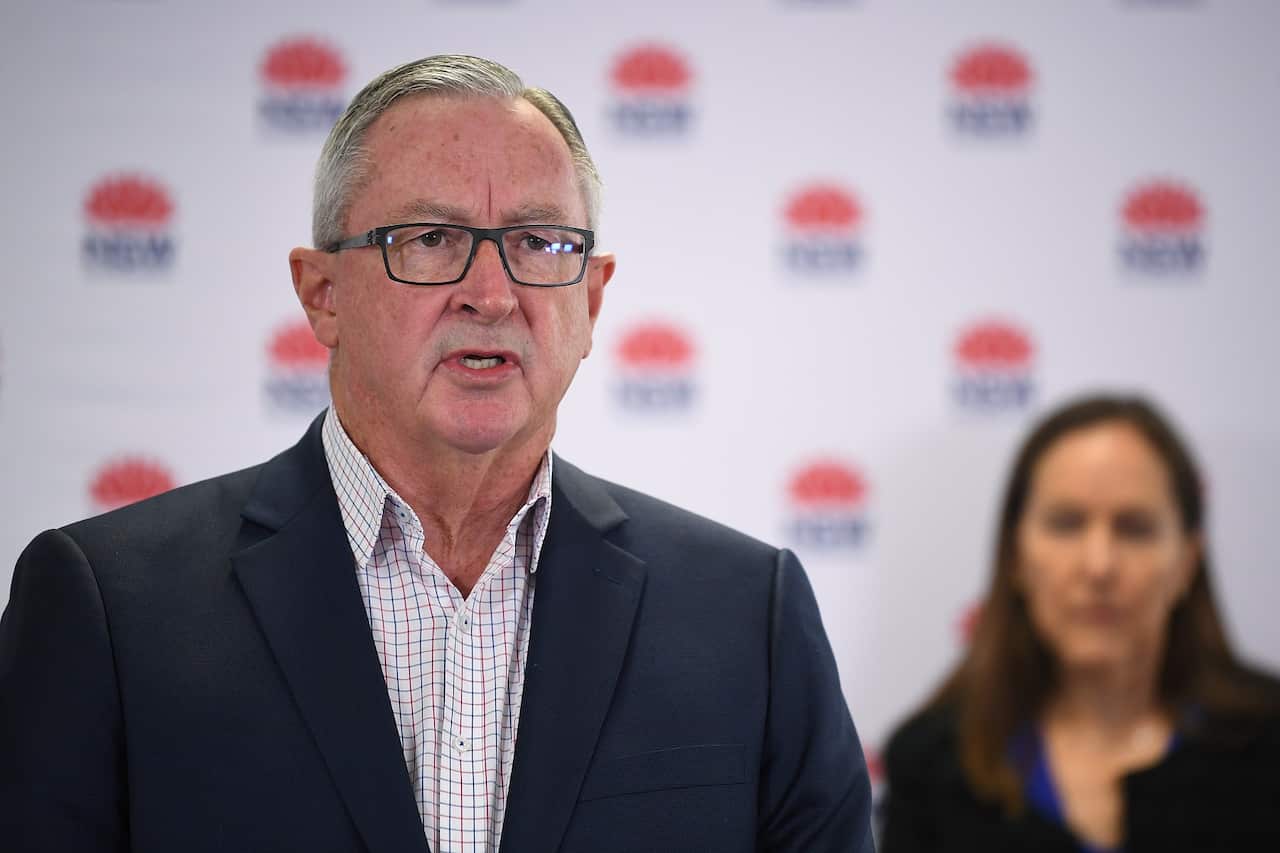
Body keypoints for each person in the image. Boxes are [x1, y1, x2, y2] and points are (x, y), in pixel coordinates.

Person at [0, 55, 874, 852]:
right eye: (430, 239)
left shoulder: (747, 616)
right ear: (322, 293)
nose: (491, 294)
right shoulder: (107, 608)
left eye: (539, 242)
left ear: (592, 300)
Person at [880, 394, 1280, 852]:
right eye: (1067, 524)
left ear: (1188, 560)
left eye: (1134, 528)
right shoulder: (930, 765)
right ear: (1015, 555)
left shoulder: (1268, 744)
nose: (1099, 565)